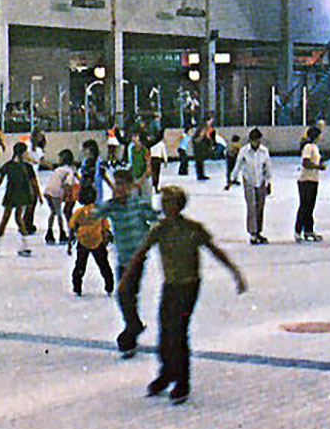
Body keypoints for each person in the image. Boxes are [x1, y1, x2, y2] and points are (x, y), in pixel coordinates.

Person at [121, 186, 246, 405]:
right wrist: (125, 279)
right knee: (164, 331)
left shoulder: (192, 228)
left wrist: (235, 272)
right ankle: (167, 372)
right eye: (163, 202)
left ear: (179, 204)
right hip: (170, 286)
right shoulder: (158, 230)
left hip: (189, 286)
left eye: (170, 202)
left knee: (178, 332)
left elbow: (214, 250)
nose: (165, 206)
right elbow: (140, 254)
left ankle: (182, 381)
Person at [95, 169, 156, 357]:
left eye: (122, 184)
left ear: (130, 187)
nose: (118, 188)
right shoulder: (111, 206)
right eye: (117, 184)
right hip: (123, 259)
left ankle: (130, 334)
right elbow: (93, 214)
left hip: (137, 258)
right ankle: (133, 326)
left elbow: (155, 219)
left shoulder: (139, 204)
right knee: (124, 296)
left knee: (125, 293)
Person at [0, 141, 41, 258]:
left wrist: (39, 196)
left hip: (20, 194)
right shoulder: (11, 166)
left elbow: (34, 183)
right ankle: (0, 246)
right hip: (14, 194)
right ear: (21, 153)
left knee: (16, 219)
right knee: (10, 219)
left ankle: (24, 246)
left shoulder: (25, 167)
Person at [69, 185, 114, 297]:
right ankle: (109, 285)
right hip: (97, 241)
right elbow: (105, 227)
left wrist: (70, 243)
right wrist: (107, 237)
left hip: (83, 241)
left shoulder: (79, 212)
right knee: (104, 264)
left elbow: (72, 227)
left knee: (80, 265)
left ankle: (77, 287)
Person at [230, 128, 272, 244]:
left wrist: (269, 183)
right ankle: (252, 233)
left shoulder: (264, 151)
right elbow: (238, 164)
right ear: (250, 140)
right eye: (254, 141)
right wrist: (232, 178)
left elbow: (268, 167)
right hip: (248, 181)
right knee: (251, 207)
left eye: (258, 140)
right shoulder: (244, 151)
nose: (256, 143)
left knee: (260, 207)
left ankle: (258, 231)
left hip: (261, 181)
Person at [42, 149, 79, 246]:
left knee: (53, 212)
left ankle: (49, 233)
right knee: (59, 214)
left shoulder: (58, 169)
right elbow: (68, 184)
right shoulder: (69, 170)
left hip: (47, 191)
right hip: (56, 192)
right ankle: (62, 233)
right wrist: (68, 196)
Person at [295, 126, 325, 243]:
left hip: (313, 179)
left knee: (310, 206)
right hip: (305, 180)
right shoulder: (308, 147)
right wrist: (318, 166)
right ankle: (298, 231)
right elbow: (305, 163)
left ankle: (309, 230)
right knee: (304, 206)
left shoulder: (315, 147)